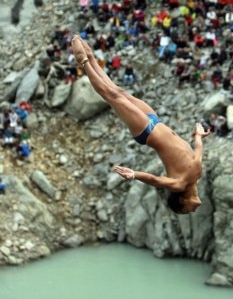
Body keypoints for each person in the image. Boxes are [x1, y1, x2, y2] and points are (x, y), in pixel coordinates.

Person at [72, 35, 211, 214]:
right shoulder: (197, 173)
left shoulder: (179, 184)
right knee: (119, 92)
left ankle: (82, 62)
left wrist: (135, 174)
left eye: (188, 210)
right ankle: (91, 58)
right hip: (155, 120)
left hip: (147, 132)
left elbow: (155, 180)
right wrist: (199, 136)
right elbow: (198, 152)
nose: (192, 211)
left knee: (112, 96)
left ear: (183, 201)